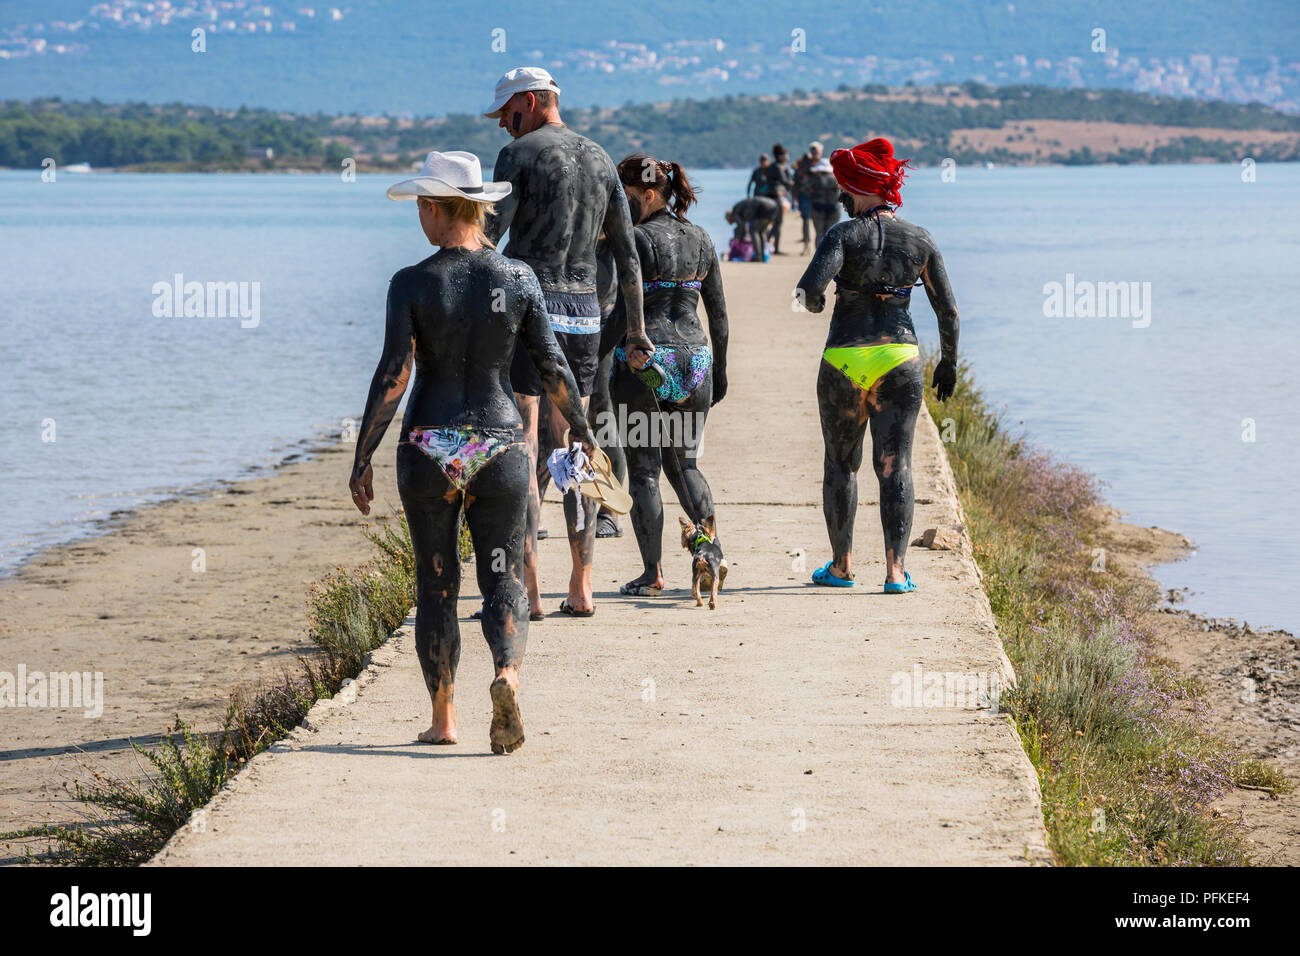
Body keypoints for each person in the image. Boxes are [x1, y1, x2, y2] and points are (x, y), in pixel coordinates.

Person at [348, 150, 596, 754]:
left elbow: (394, 375)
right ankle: (506, 676)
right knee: (503, 573)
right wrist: (584, 433)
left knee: (436, 583)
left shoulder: (411, 283)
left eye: (420, 210)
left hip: (431, 443)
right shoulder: (517, 279)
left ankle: (445, 720)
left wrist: (362, 456)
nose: (420, 221)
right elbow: (553, 365)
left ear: (434, 208)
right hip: (501, 441)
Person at [482, 67, 653, 617]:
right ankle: (581, 588)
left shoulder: (520, 155)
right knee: (575, 448)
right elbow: (628, 257)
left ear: (530, 102)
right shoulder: (602, 159)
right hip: (584, 314)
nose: (505, 127)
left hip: (530, 307)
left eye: (507, 114)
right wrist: (635, 331)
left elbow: (490, 238)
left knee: (528, 447)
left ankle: (529, 592)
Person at [794, 138, 959, 593]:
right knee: (896, 467)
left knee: (841, 465)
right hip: (899, 358)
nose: (841, 199)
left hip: (846, 357)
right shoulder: (920, 238)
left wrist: (819, 304)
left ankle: (842, 567)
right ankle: (895, 572)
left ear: (854, 187)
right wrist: (949, 363)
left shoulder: (843, 235)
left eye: (844, 190)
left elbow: (808, 292)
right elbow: (948, 311)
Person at [605, 155, 728, 596]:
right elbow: (719, 315)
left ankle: (653, 573)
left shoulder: (634, 239)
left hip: (647, 365)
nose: (622, 206)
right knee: (687, 463)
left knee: (644, 470)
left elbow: (622, 314)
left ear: (651, 194)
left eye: (629, 198)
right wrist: (723, 371)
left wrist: (588, 369)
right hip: (696, 361)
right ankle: (708, 553)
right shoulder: (702, 238)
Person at [757, 143, 794, 254]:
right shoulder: (777, 167)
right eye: (785, 156)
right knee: (778, 222)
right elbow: (786, 182)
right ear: (780, 156)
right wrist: (792, 180)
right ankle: (771, 245)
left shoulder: (772, 166)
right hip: (775, 197)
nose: (786, 158)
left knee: (772, 222)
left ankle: (767, 244)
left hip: (768, 196)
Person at [725, 194, 780, 262]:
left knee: (753, 230)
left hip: (764, 208)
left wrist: (737, 237)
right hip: (773, 205)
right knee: (761, 231)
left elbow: (741, 225)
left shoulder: (735, 212)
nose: (734, 222)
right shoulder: (739, 207)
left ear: (730, 218)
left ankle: (758, 256)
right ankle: (763, 255)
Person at [805, 149, 842, 247]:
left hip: (818, 207)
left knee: (819, 233)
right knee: (830, 234)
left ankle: (818, 255)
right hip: (833, 208)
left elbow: (805, 189)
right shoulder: (836, 178)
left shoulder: (815, 178)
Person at [792, 141, 823, 254]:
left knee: (818, 221)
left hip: (819, 197)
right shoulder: (805, 164)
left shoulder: (823, 164)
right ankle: (806, 245)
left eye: (817, 151)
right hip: (805, 196)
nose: (815, 153)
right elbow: (796, 180)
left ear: (821, 152)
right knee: (806, 220)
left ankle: (818, 246)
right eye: (813, 151)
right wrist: (794, 197)